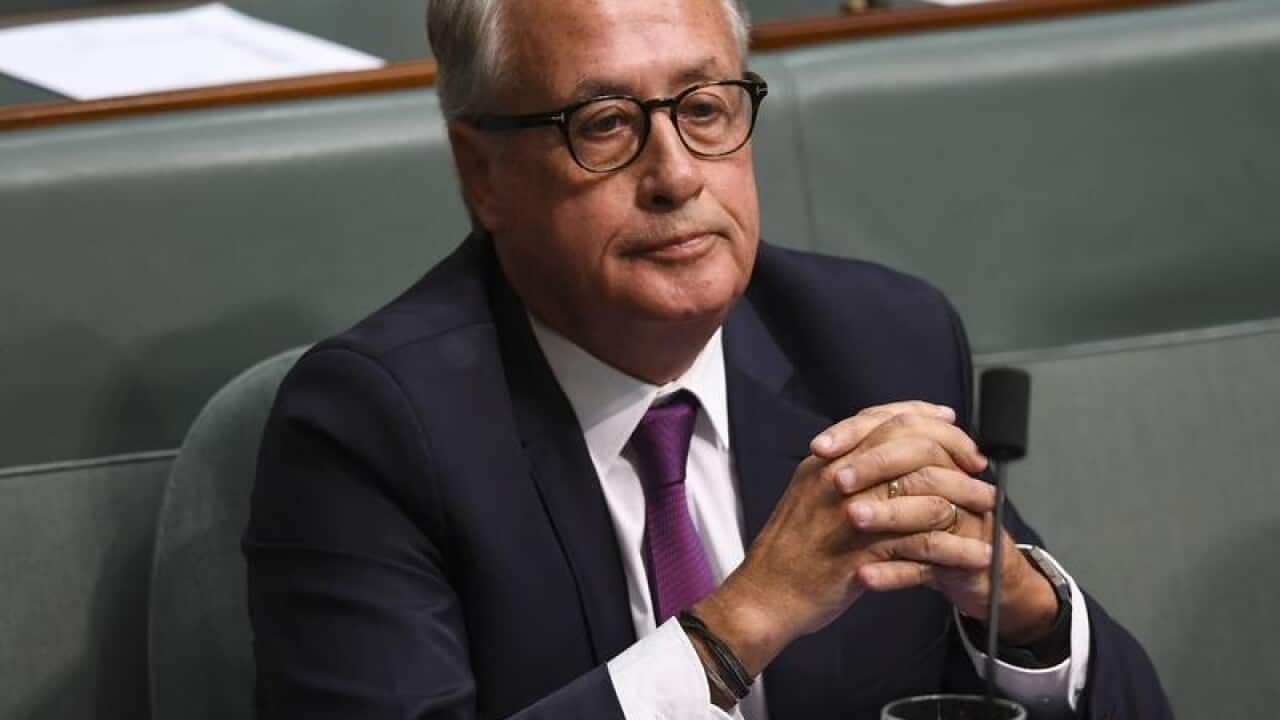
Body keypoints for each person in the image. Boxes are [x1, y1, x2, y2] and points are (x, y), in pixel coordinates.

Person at [244, 0, 1171, 717]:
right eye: (604, 122)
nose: (677, 173)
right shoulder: (375, 429)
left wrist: (1022, 609)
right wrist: (741, 623)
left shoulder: (878, 340)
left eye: (704, 107)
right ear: (482, 173)